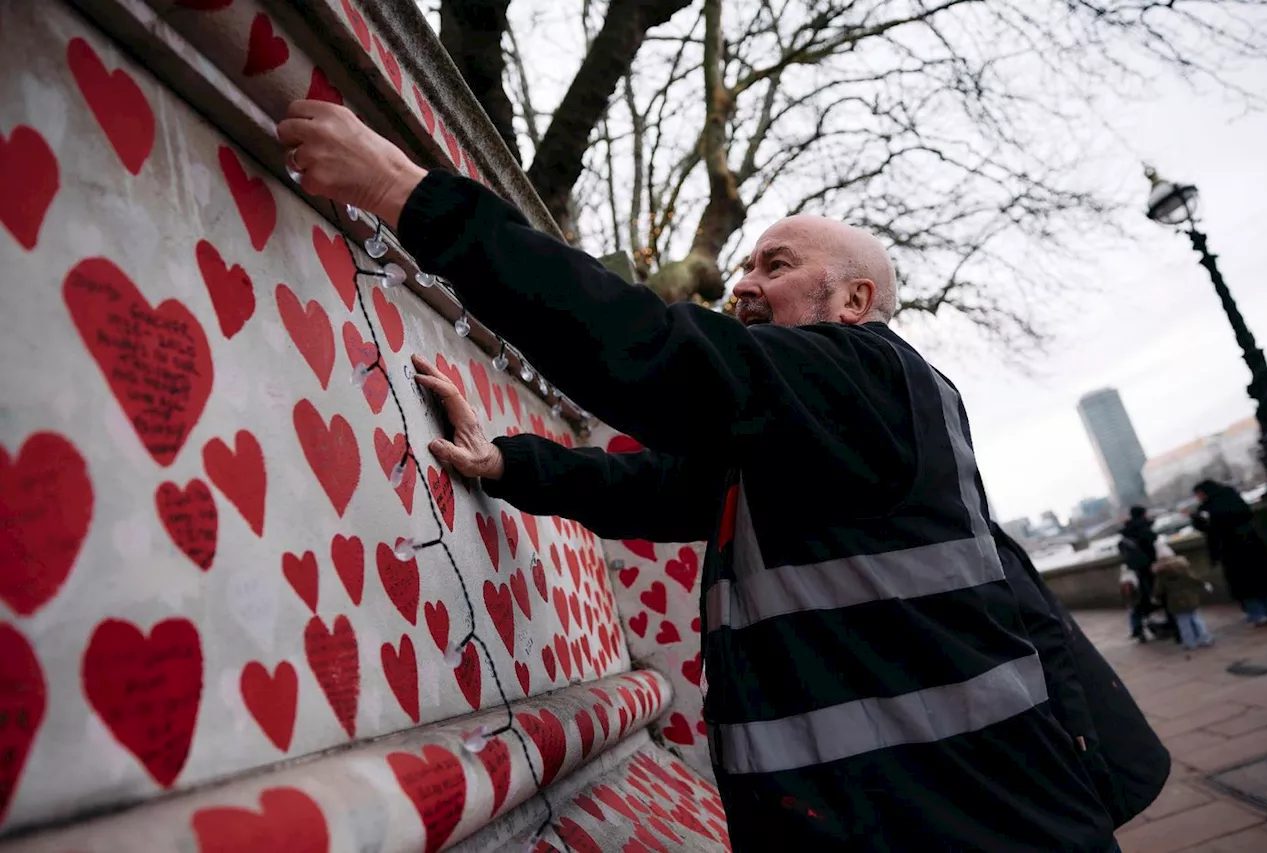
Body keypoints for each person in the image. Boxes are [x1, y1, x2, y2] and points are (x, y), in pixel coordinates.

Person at [277, 100, 1167, 851]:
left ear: (855, 302)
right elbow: (664, 488)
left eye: (775, 265)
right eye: (742, 263)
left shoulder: (862, 374)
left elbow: (653, 353)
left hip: (962, 824)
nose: (742, 284)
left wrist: (404, 193)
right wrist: (510, 460)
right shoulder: (818, 442)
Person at [1191, 479, 1267, 626]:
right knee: (1265, 580)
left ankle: (1257, 614)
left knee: (1244, 584)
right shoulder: (1232, 498)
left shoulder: (1208, 509)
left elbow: (1209, 528)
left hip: (1231, 548)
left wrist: (1199, 519)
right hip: (1251, 543)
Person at [1151, 554, 1214, 651]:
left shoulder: (1162, 574)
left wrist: (1155, 597)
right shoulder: (1183, 568)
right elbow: (1194, 579)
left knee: (1183, 622)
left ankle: (1189, 642)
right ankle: (1205, 638)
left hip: (1175, 600)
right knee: (1197, 619)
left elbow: (1159, 589)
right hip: (1190, 597)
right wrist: (1204, 585)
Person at [1117, 507, 1158, 642]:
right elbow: (1152, 539)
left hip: (1135, 572)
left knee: (1138, 601)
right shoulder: (1143, 529)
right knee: (1156, 596)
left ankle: (1139, 629)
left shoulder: (1126, 533)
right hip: (1150, 569)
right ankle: (1161, 627)